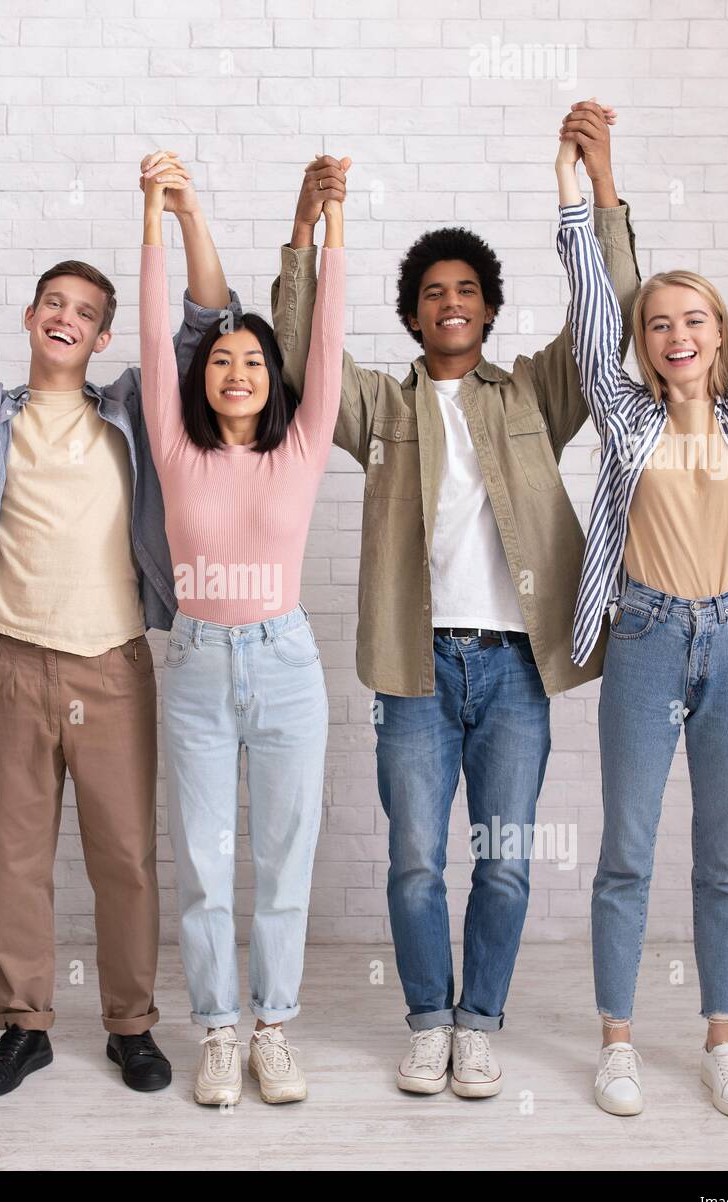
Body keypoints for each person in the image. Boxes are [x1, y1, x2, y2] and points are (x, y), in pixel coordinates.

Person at [269, 109, 641, 1098]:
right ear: (411, 312)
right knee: (416, 865)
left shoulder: (530, 396)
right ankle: (428, 1018)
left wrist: (600, 188)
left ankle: (481, 1022)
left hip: (517, 668)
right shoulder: (381, 411)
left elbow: (610, 315)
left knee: (506, 865)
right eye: (432, 292)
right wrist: (304, 233)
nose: (450, 302)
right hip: (414, 668)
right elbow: (299, 358)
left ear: (487, 309)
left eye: (466, 290)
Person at [0, 155, 243, 1098]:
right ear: (31, 318)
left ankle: (132, 1025)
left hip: (112, 666)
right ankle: (24, 1025)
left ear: (104, 332)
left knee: (124, 858)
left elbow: (206, 331)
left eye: (84, 309)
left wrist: (186, 212)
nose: (65, 316)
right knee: (16, 859)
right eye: (51, 303)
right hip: (12, 666)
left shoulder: (130, 410)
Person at [559, 66, 728, 1119]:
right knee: (626, 852)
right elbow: (590, 311)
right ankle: (618, 1040)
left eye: (695, 322)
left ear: (718, 336)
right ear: (645, 342)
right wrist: (574, 201)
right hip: (646, 639)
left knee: (723, 858)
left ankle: (721, 1035)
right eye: (661, 324)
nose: (677, 335)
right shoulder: (623, 417)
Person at [140, 155, 345, 1105]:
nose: (236, 370)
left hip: (286, 660)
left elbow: (332, 343)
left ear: (275, 380)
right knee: (205, 859)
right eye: (220, 358)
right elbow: (152, 339)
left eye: (254, 360)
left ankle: (274, 1028)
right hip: (193, 662)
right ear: (201, 376)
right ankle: (218, 1031)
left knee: (286, 856)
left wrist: (330, 227)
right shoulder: (174, 447)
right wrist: (157, 217)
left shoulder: (301, 449)